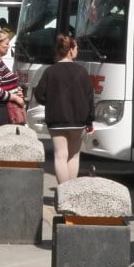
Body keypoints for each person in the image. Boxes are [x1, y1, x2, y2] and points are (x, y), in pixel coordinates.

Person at [33, 34, 95, 183]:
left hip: (56, 119)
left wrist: (51, 102)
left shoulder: (50, 72)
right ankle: (71, 194)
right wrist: (90, 121)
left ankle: (62, 192)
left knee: (60, 155)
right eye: (76, 48)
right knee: (74, 155)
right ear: (71, 50)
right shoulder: (82, 72)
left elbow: (39, 94)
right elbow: (89, 98)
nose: (77, 51)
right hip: (78, 120)